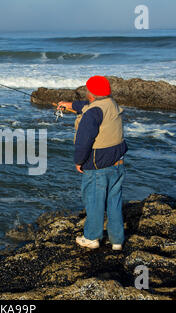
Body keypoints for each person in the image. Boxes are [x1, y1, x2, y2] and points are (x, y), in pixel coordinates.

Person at [57, 75, 128, 250]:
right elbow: (89, 107)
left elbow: (83, 141)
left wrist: (78, 161)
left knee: (94, 201)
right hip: (117, 163)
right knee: (114, 201)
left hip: (98, 166)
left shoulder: (92, 114)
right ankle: (117, 240)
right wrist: (69, 105)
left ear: (90, 94)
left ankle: (91, 238)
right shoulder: (112, 104)